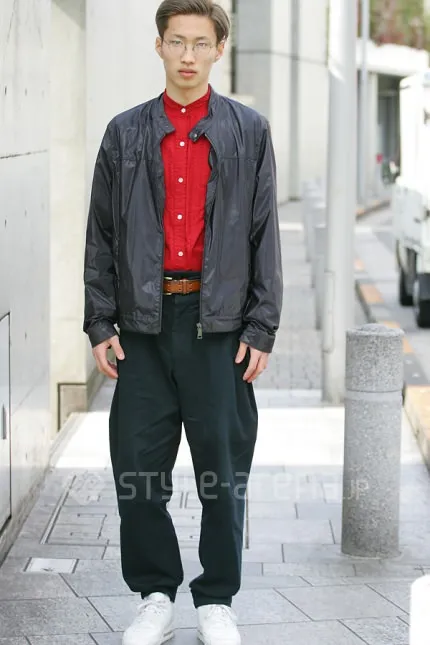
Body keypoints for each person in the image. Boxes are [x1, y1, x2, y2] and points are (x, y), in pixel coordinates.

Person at [83, 0, 282, 643]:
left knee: (223, 470)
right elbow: (101, 234)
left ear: (219, 49)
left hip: (219, 325)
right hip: (143, 325)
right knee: (137, 469)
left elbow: (264, 234)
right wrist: (100, 321)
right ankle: (155, 595)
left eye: (200, 43)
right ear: (159, 46)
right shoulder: (124, 133)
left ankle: (217, 599)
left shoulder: (248, 131)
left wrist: (261, 327)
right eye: (177, 42)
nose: (188, 55)